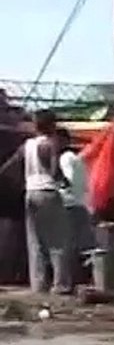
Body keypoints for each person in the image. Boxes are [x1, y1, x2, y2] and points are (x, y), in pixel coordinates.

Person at [0, 110, 72, 294]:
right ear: (52, 125)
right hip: (48, 191)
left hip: (30, 192)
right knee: (57, 240)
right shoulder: (50, 144)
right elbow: (55, 171)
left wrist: (21, 181)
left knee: (35, 242)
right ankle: (60, 284)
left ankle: (38, 285)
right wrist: (65, 181)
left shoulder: (27, 145)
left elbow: (9, 167)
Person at [56, 128, 94, 284]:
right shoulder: (78, 158)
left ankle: (65, 283)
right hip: (80, 204)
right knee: (78, 246)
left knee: (65, 246)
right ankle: (78, 281)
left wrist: (56, 187)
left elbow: (69, 179)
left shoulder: (65, 158)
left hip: (68, 204)